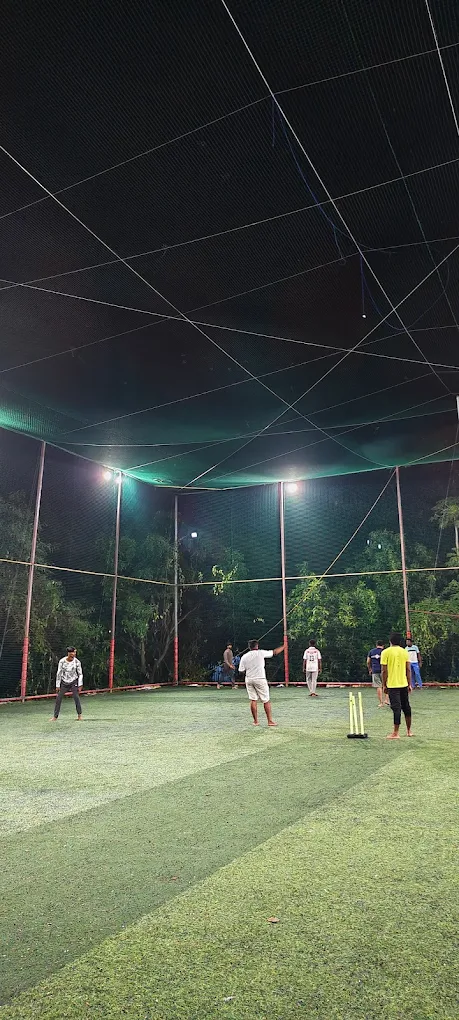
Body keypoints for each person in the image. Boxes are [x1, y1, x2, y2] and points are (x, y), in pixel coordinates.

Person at [238, 639, 284, 726]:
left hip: (249, 679)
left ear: (249, 647)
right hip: (260, 679)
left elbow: (241, 670)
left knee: (253, 699)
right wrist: (284, 646)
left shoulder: (244, 656)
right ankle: (270, 721)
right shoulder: (261, 653)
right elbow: (274, 652)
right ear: (257, 646)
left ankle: (255, 721)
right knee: (266, 700)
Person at [381, 632, 413, 740]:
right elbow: (408, 669)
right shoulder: (404, 652)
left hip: (392, 685)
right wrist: (409, 684)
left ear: (390, 641)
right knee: (406, 707)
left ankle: (396, 733)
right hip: (403, 683)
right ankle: (409, 731)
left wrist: (384, 685)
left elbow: (384, 671)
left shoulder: (385, 652)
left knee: (396, 708)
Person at [51, 647, 83, 721]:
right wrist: (57, 685)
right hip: (64, 682)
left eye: (74, 653)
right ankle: (55, 716)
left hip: (73, 681)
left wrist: (80, 684)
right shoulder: (62, 661)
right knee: (58, 698)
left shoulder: (77, 662)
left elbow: (80, 674)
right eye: (72, 653)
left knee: (76, 697)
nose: (73, 654)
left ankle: (79, 715)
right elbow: (59, 673)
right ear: (68, 653)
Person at [366, 641, 389, 707]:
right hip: (384, 670)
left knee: (378, 686)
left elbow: (368, 662)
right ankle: (386, 700)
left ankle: (381, 703)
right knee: (386, 685)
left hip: (375, 670)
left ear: (376, 645)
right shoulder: (385, 652)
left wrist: (370, 669)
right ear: (383, 645)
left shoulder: (371, 652)